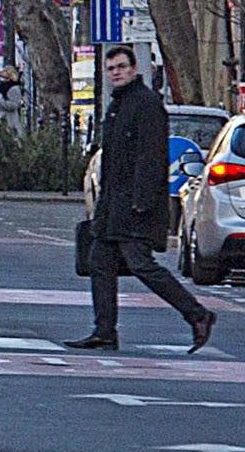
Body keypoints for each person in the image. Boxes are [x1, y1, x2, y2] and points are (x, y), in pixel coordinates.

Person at [76, 43, 213, 352]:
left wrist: (143, 204)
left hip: (135, 206)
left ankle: (198, 314)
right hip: (112, 205)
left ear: (134, 69)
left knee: (141, 264)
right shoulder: (116, 106)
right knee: (99, 262)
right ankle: (104, 331)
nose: (117, 73)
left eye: (122, 67)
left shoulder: (147, 105)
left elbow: (151, 158)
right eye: (111, 69)